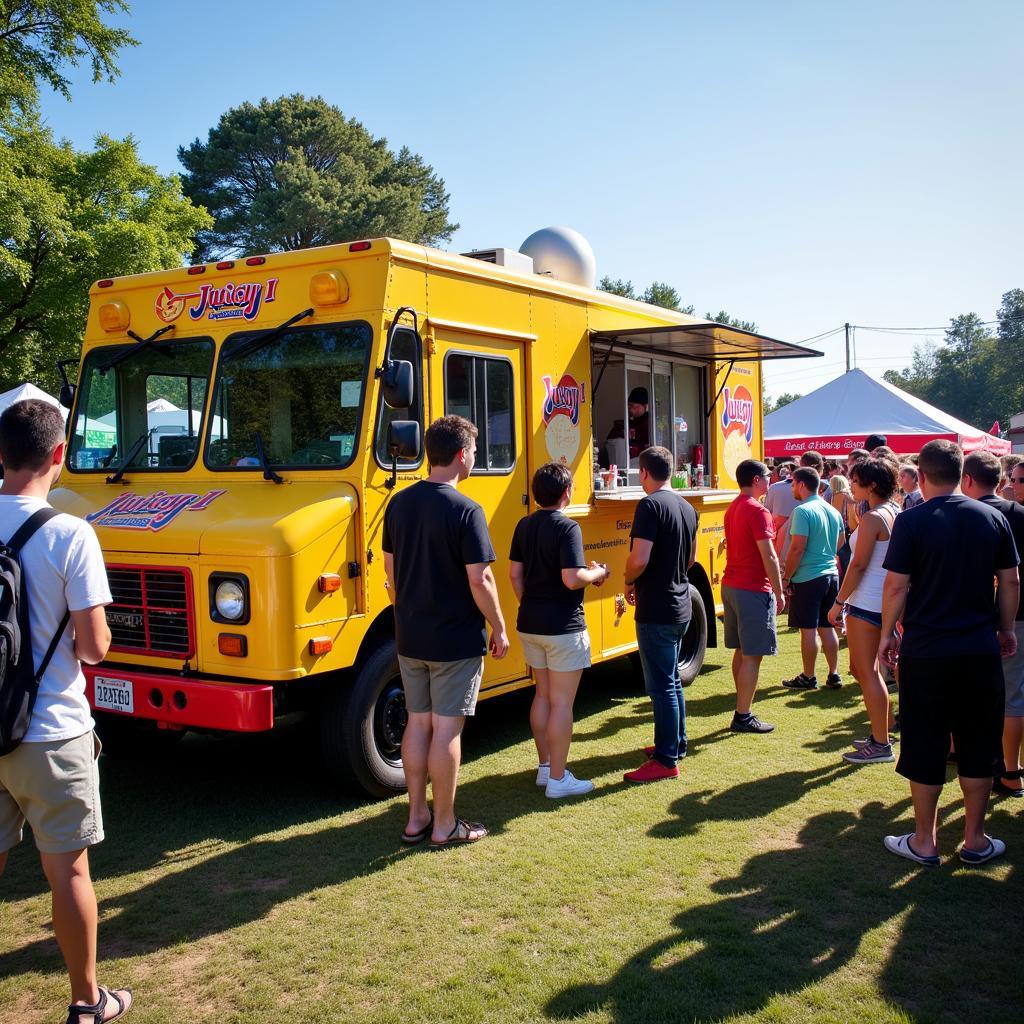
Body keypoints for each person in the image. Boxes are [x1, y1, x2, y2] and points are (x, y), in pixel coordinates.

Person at [0, 400, 129, 1024]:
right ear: (59, 455)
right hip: (50, 730)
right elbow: (95, 647)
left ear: (0, 453)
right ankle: (86, 1001)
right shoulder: (71, 533)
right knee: (69, 873)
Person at [879, 440, 1019, 866]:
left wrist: (887, 633)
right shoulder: (993, 517)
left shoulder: (912, 520)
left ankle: (925, 840)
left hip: (927, 650)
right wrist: (1007, 627)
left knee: (925, 742)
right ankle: (974, 839)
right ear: (962, 474)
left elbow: (897, 585)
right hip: (978, 648)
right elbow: (1011, 581)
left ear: (921, 476)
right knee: (978, 743)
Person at [382, 415, 509, 847]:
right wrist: (499, 625)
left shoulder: (398, 503)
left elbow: (390, 572)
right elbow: (481, 579)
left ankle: (416, 817)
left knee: (418, 725)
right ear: (460, 455)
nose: (475, 457)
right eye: (474, 450)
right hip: (454, 639)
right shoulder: (466, 509)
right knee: (447, 730)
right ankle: (444, 824)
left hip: (410, 635)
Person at [509, 463, 610, 798]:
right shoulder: (568, 528)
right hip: (563, 626)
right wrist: (596, 574)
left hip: (531, 623)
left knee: (542, 695)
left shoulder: (523, 525)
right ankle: (557, 778)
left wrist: (531, 602)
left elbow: (514, 575)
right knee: (562, 703)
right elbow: (571, 578)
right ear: (567, 492)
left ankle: (544, 768)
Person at [623, 446, 698, 782]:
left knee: (662, 686)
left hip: (658, 608)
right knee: (671, 682)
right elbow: (692, 558)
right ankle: (675, 744)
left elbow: (639, 558)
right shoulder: (686, 506)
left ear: (644, 473)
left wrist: (628, 580)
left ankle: (667, 760)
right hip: (680, 603)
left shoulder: (650, 505)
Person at [828, 456, 901, 764]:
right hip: (880, 602)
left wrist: (838, 602)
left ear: (872, 484)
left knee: (866, 672)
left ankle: (881, 742)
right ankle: (880, 734)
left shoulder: (875, 518)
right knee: (866, 671)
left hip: (866, 602)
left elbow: (858, 564)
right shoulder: (893, 511)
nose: (852, 486)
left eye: (856, 481)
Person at [961, 450, 1024, 798]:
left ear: (967, 479)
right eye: (1012, 479)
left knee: (999, 694)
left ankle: (1009, 771)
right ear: (1001, 480)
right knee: (1010, 692)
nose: (1015, 485)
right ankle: (1008, 769)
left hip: (983, 616)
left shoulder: (966, 514)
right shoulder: (1014, 514)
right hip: (1009, 616)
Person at [721, 459, 785, 735]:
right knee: (753, 655)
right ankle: (743, 714)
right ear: (757, 480)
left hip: (732, 585)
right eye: (767, 476)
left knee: (742, 651)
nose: (770, 480)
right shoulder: (758, 511)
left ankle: (742, 708)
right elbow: (769, 554)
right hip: (751, 588)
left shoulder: (734, 507)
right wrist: (780, 591)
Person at [781, 467, 844, 691]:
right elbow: (841, 543)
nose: (791, 488)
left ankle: (808, 676)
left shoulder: (802, 511)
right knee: (827, 627)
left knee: (808, 629)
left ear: (801, 484)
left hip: (809, 577)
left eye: (792, 484)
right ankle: (833, 673)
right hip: (830, 574)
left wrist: (786, 578)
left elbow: (797, 548)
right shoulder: (832, 510)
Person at [765, 461, 799, 561]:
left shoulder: (774, 488)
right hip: (799, 534)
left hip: (778, 536)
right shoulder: (803, 486)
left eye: (773, 474)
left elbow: (767, 511)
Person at [606, 387, 650, 460]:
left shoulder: (650, 424)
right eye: (629, 406)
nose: (630, 409)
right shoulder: (627, 423)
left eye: (633, 406)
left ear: (645, 406)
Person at [827, 474, 855, 579]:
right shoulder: (844, 495)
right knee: (846, 557)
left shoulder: (834, 496)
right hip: (846, 529)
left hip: (836, 529)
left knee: (841, 556)